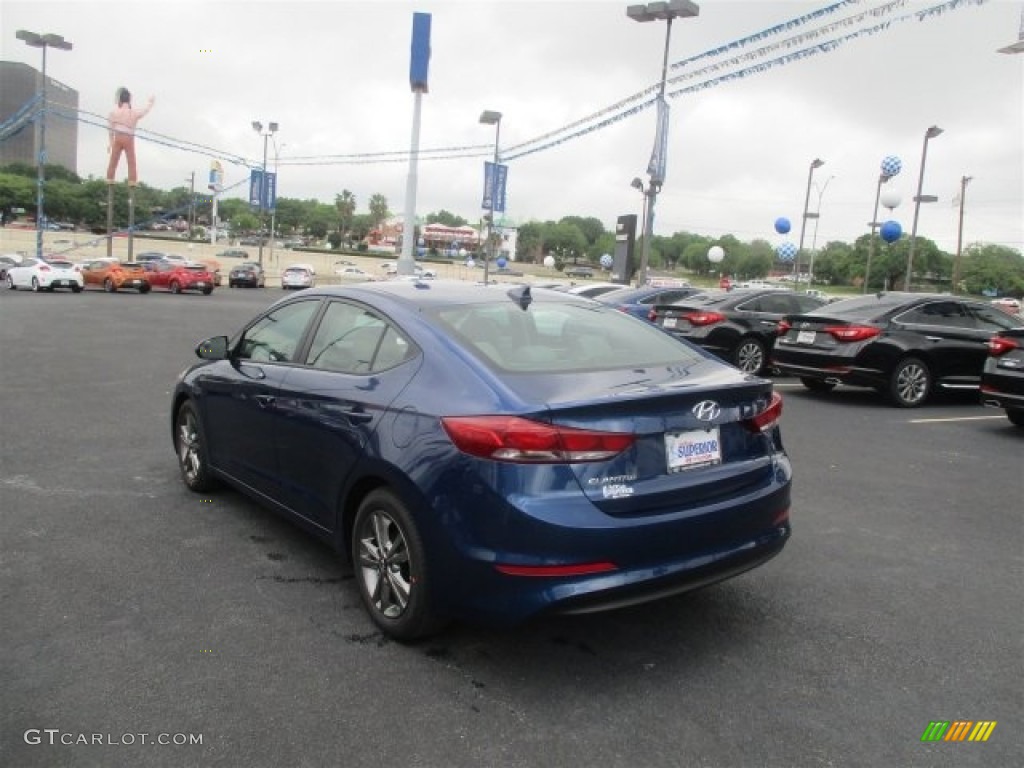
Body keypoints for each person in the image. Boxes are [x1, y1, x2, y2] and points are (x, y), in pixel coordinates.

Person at [106, 87, 154, 186]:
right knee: (131, 162)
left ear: (120, 100)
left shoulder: (113, 112)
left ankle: (110, 179)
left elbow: (110, 129)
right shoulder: (133, 112)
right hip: (129, 138)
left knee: (113, 161)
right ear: (129, 100)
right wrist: (150, 103)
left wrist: (110, 143)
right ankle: (132, 181)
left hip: (118, 137)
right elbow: (144, 111)